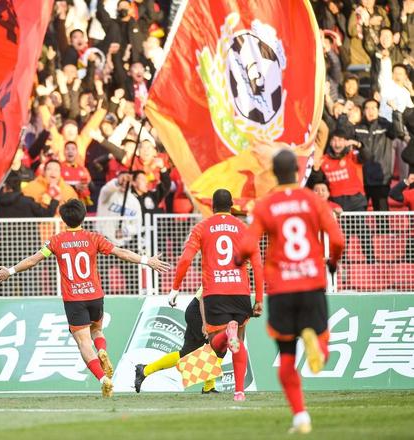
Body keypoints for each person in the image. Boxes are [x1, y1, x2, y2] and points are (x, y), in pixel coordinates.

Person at [0, 199, 170, 397]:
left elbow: (33, 260)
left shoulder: (56, 241)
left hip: (74, 299)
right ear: (84, 216)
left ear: (63, 218)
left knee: (84, 343)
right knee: (97, 330)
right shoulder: (93, 237)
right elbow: (121, 253)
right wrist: (147, 260)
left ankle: (103, 379)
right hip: (95, 296)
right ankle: (101, 350)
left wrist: (10, 271)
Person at [235, 149, 345, 434]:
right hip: (312, 282)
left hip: (282, 289)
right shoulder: (312, 200)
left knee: (286, 358)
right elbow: (337, 239)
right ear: (297, 172)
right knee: (321, 337)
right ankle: (317, 344)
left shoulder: (266, 205)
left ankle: (300, 417)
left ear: (274, 173)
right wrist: (333, 261)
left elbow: (247, 245)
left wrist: (238, 259)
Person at [137, 189, 264, 401]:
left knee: (214, 351)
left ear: (212, 207)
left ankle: (206, 383)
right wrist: (258, 298)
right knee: (204, 353)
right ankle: (146, 370)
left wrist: (175, 288)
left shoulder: (203, 228)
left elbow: (186, 259)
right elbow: (258, 265)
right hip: (203, 307)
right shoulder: (243, 230)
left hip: (214, 299)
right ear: (232, 206)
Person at [133, 286, 218, 394]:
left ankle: (144, 370)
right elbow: (203, 298)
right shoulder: (217, 276)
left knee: (189, 352)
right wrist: (205, 323)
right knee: (211, 347)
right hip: (200, 313)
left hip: (200, 312)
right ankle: (208, 387)